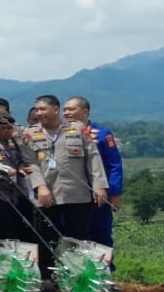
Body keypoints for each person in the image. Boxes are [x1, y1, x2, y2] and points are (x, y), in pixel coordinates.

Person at [0, 111, 52, 277]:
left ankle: (23, 273)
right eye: (4, 128)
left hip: (17, 193)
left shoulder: (14, 141)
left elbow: (20, 160)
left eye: (10, 128)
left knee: (21, 234)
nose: (8, 131)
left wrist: (21, 170)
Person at [23, 94, 107, 243]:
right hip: (47, 196)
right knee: (46, 242)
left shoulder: (77, 128)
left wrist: (99, 186)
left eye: (43, 109)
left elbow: (93, 157)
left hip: (76, 196)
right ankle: (46, 267)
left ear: (56, 109)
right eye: (37, 110)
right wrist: (40, 186)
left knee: (79, 241)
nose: (39, 113)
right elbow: (31, 163)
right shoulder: (30, 133)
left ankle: (76, 267)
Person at [64, 96, 123, 249]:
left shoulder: (102, 134)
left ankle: (104, 270)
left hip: (97, 196)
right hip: (71, 196)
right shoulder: (60, 133)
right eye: (64, 110)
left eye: (71, 109)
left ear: (85, 112)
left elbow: (114, 165)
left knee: (101, 235)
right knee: (72, 237)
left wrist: (114, 193)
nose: (66, 113)